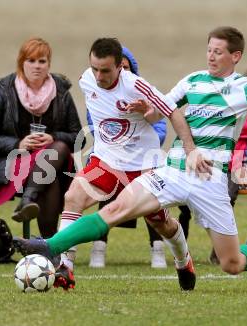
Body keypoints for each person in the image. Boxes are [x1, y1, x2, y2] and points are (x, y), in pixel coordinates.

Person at [14, 27, 247, 291]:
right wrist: (145, 113)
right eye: (208, 49)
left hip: (211, 179)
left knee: (230, 263)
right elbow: (164, 111)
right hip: (173, 170)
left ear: (236, 55)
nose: (211, 56)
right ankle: (49, 247)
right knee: (114, 209)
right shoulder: (192, 80)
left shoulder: (245, 88)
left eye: (218, 51)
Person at [37, 37, 205, 290]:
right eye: (95, 68)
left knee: (160, 222)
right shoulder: (86, 80)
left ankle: (183, 260)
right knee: (74, 197)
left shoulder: (136, 86)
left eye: (105, 70)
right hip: (107, 162)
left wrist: (189, 149)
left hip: (143, 166)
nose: (98, 75)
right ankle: (65, 268)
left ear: (120, 67)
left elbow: (172, 112)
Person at [179, 64, 247, 265]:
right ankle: (219, 248)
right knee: (225, 196)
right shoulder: (234, 107)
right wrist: (237, 167)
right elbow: (227, 141)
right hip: (230, 167)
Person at [0, 37, 82, 238]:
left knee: (57, 151)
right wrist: (18, 143)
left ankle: (30, 204)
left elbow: (78, 138)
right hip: (14, 161)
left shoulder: (61, 92)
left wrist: (53, 136)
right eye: (31, 60)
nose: (37, 66)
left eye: (42, 61)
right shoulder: (4, 91)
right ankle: (50, 244)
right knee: (50, 173)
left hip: (50, 162)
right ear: (22, 62)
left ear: (49, 64)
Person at [86, 46, 168, 269]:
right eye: (118, 68)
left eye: (125, 67)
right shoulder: (97, 93)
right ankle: (98, 247)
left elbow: (161, 126)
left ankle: (158, 248)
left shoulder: (143, 92)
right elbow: (95, 125)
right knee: (103, 189)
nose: (121, 72)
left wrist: (144, 116)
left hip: (143, 159)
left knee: (152, 198)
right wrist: (115, 143)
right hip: (111, 157)